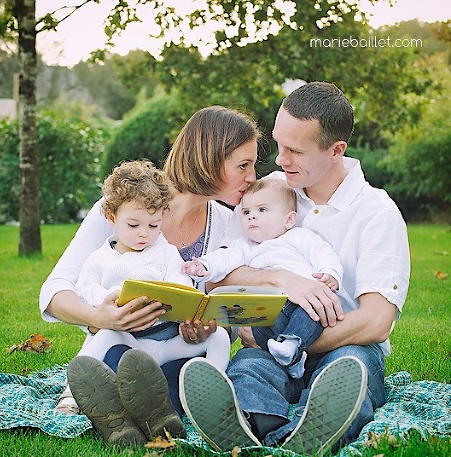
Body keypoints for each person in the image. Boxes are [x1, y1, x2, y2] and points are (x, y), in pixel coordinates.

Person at [179, 82, 410, 457]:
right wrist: (278, 281)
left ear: (336, 151)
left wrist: (291, 344)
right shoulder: (267, 194)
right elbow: (223, 273)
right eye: (278, 144)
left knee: (351, 372)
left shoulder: (377, 213)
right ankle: (248, 428)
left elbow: (375, 321)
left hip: (344, 345)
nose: (280, 160)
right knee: (248, 370)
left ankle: (309, 429)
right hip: (268, 344)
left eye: (296, 151)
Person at [39, 106, 260, 446]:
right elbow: (54, 292)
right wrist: (100, 316)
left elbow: (220, 309)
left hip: (176, 351)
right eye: (243, 165)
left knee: (172, 378)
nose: (253, 177)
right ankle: (117, 405)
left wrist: (210, 325)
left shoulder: (228, 222)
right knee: (126, 368)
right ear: (208, 159)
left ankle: (137, 410)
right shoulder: (122, 208)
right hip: (122, 345)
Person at [59, 161, 230, 424]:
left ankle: (214, 395)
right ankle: (73, 394)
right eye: (134, 225)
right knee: (103, 336)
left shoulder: (165, 251)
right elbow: (85, 288)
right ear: (112, 218)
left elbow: (179, 280)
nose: (143, 234)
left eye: (153, 226)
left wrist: (185, 298)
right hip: (128, 340)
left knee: (218, 337)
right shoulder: (100, 258)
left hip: (166, 341)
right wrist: (106, 300)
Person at [182, 177, 342, 379]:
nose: (251, 217)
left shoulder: (300, 237)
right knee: (259, 325)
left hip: (302, 301)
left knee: (311, 312)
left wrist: (331, 273)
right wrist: (204, 265)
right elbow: (224, 258)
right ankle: (292, 356)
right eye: (246, 212)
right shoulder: (244, 246)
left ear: (289, 219)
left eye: (262, 210)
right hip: (269, 310)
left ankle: (292, 346)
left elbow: (324, 254)